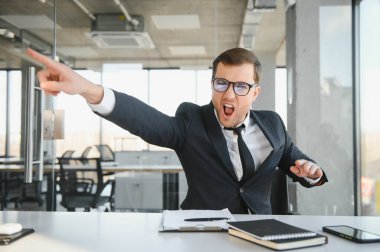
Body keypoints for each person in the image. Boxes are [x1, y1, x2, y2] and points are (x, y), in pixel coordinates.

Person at [27, 47, 327, 214]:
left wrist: (310, 171)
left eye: (240, 86)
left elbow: (294, 159)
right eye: (221, 83)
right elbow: (148, 121)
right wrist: (89, 90)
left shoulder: (273, 123)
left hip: (262, 233)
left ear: (255, 93)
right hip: (204, 232)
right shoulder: (191, 121)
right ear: (213, 84)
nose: (229, 95)